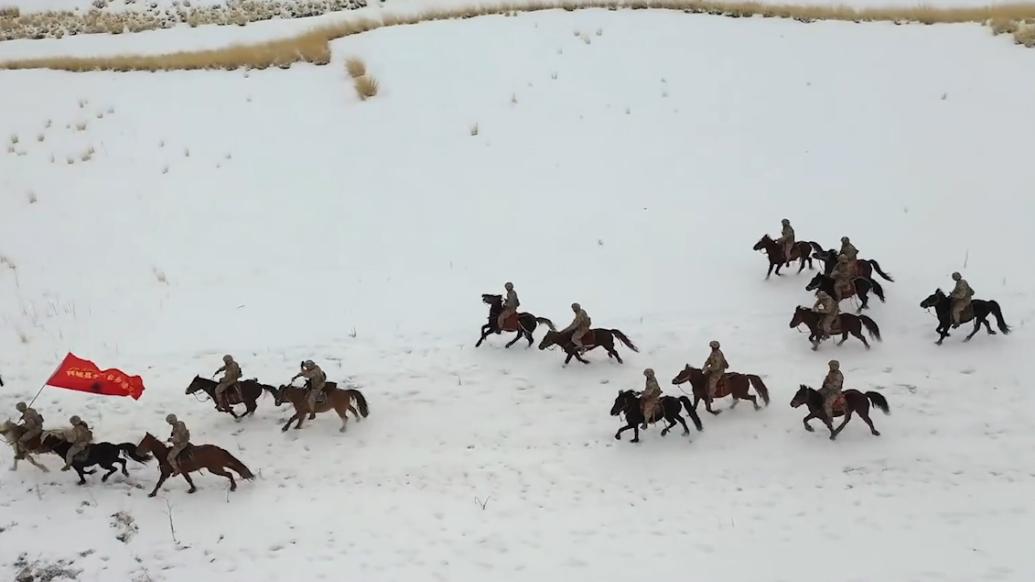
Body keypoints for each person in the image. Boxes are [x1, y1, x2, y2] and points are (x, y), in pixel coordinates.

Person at [701, 340, 728, 406]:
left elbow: (717, 366)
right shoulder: (713, 353)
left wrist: (708, 368)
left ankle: (711, 396)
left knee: (712, 380)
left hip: (718, 371)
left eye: (712, 347)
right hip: (712, 369)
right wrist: (705, 365)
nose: (711, 348)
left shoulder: (718, 354)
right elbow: (709, 359)